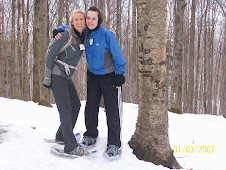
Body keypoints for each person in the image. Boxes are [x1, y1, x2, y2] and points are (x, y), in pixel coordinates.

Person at [55, 6, 127, 158]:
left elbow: (118, 55)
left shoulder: (107, 35)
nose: (90, 21)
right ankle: (91, 134)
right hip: (92, 76)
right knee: (91, 108)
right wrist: (58, 30)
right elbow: (70, 27)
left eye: (93, 18)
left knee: (112, 110)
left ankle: (114, 143)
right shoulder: (85, 33)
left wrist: (120, 73)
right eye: (88, 18)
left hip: (109, 77)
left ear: (99, 19)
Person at [43, 9, 89, 156]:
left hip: (66, 77)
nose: (79, 22)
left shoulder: (82, 37)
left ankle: (62, 135)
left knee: (75, 105)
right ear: (72, 22)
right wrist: (47, 77)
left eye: (82, 19)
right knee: (65, 109)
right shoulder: (64, 35)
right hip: (57, 75)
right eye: (76, 20)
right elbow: (50, 56)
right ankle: (70, 146)